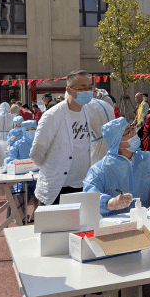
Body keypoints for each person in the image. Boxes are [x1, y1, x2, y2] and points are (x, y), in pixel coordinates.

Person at [31, 70, 115, 206]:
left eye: (90, 87)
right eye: (82, 88)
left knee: (84, 225)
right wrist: (53, 167)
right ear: (68, 90)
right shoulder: (52, 116)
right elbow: (37, 152)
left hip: (83, 184)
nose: (87, 91)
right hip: (58, 186)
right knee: (57, 226)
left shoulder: (88, 111)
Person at [83, 117, 150, 216]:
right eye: (128, 132)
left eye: (132, 129)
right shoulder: (99, 170)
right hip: (116, 226)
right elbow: (90, 195)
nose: (134, 133)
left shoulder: (148, 159)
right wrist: (109, 203)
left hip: (149, 220)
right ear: (115, 141)